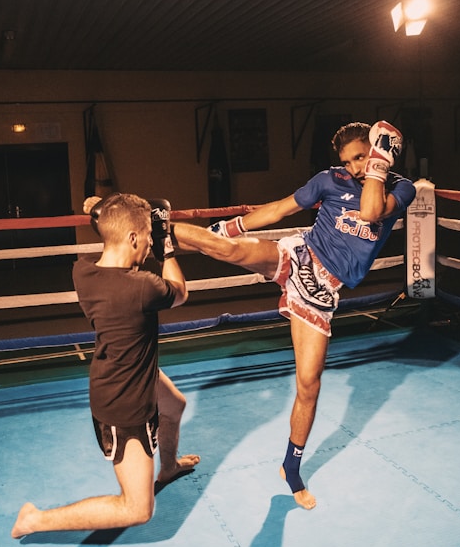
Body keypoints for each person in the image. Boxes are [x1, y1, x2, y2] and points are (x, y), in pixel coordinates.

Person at [172, 121, 416, 510]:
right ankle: (158, 227)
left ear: (376, 150)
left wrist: (379, 162)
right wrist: (230, 227)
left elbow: (371, 211)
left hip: (322, 291)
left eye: (360, 156)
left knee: (309, 385)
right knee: (231, 250)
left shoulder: (402, 187)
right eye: (348, 160)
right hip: (300, 255)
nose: (354, 166)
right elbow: (280, 209)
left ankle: (291, 466)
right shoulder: (329, 180)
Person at [11, 193, 200, 538]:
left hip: (125, 370)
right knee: (137, 509)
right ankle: (34, 520)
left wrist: (109, 210)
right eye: (144, 241)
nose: (146, 249)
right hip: (125, 402)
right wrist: (165, 244)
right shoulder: (141, 287)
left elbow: (110, 222)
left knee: (175, 405)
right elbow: (181, 291)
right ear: (132, 239)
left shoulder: (83, 271)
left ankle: (168, 468)